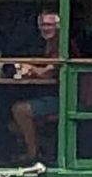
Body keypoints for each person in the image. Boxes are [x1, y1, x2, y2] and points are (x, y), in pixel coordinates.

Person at [9, 11, 62, 163]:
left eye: (50, 25)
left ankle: (32, 154)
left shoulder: (61, 45)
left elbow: (49, 73)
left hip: (64, 97)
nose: (46, 28)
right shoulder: (45, 44)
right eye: (43, 25)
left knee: (19, 110)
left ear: (59, 27)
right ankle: (43, 148)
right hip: (46, 94)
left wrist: (30, 69)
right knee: (10, 122)